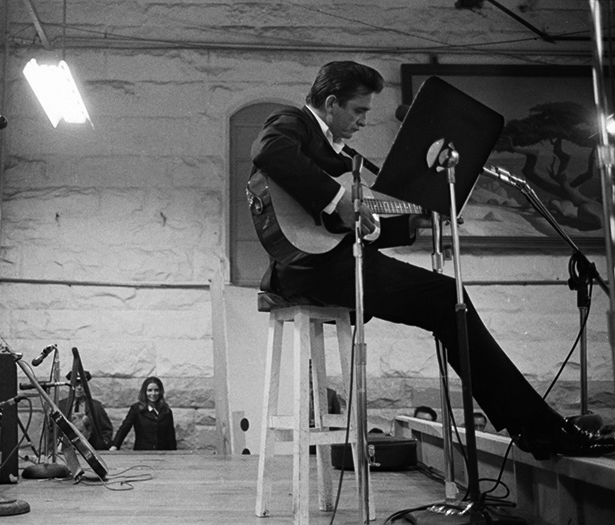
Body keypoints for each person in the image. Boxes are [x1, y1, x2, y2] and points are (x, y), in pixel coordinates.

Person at [248, 60, 615, 461]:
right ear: (332, 103)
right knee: (446, 298)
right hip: (310, 270)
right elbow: (269, 151)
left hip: (330, 263)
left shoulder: (338, 156)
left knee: (446, 299)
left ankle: (536, 428)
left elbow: (347, 227)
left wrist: (414, 223)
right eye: (359, 110)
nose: (364, 121)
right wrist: (338, 201)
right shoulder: (291, 122)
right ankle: (540, 430)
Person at [109, 376, 177, 451]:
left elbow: (170, 436)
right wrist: (115, 445)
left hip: (163, 454)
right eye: (150, 390)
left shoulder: (166, 411)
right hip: (142, 453)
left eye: (156, 390)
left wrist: (174, 454)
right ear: (144, 392)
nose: (153, 393)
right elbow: (124, 428)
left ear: (160, 391)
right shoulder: (136, 409)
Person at [56, 370, 114, 451]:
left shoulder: (95, 406)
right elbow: (52, 429)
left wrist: (102, 444)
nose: (79, 388)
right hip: (65, 450)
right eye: (76, 384)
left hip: (91, 449)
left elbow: (106, 429)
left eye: (82, 385)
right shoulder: (61, 406)